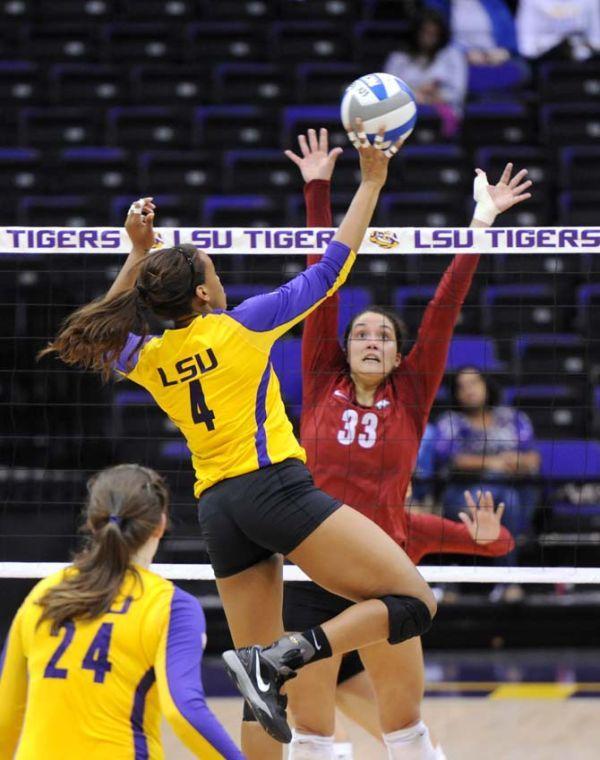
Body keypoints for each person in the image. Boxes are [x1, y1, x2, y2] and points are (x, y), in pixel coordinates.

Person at [39, 125, 437, 758]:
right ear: (203, 293)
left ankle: (271, 662)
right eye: (213, 272)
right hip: (273, 487)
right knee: (414, 601)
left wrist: (134, 251)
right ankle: (295, 651)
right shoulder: (241, 326)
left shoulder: (151, 355)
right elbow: (335, 266)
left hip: (219, 511)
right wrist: (370, 182)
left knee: (260, 686)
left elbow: (96, 335)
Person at [282, 128, 529, 760]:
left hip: (383, 573)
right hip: (310, 567)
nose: (369, 340)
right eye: (361, 333)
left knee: (406, 733)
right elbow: (322, 282)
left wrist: (482, 219)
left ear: (396, 355)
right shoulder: (321, 377)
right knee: (308, 735)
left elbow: (445, 308)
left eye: (383, 337)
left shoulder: (411, 396)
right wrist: (317, 190)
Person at [0, 464, 243, 760]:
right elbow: (183, 711)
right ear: (160, 524)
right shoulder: (171, 606)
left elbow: (5, 716)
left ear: (92, 524)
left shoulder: (43, 594)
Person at [436, 366, 541, 564]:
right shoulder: (450, 421)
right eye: (462, 387)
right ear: (455, 394)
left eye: (474, 383)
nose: (469, 390)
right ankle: (508, 579)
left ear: (486, 385)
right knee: (506, 499)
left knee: (511, 496)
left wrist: (512, 461)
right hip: (465, 491)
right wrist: (493, 463)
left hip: (516, 487)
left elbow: (533, 459)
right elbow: (453, 460)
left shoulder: (512, 418)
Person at [384, 10, 467, 137]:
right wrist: (415, 95)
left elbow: (457, 93)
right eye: (425, 32)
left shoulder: (452, 56)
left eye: (433, 33)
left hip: (442, 113)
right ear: (416, 32)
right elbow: (388, 92)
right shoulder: (399, 58)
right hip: (405, 113)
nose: (429, 38)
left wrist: (435, 96)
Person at [426, 0, 517, 64]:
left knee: (520, 71)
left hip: (494, 57)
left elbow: (509, 33)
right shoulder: (438, 4)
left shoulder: (493, 3)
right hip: (457, 59)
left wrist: (505, 52)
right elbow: (435, 37)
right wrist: (463, 54)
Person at [516, 0, 600, 61]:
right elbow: (526, 45)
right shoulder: (531, 2)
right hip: (543, 59)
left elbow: (596, 40)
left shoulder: (592, 1)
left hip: (583, 59)